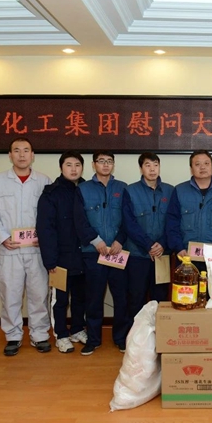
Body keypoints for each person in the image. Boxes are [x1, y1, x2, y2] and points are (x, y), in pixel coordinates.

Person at [0, 137, 52, 356]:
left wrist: (45, 237)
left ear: (33, 155)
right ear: (10, 155)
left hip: (37, 249)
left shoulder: (44, 182)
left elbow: (52, 215)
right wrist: (2, 237)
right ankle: (13, 335)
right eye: (17, 150)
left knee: (39, 294)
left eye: (26, 150)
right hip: (9, 249)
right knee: (10, 294)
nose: (22, 155)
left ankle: (40, 335)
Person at [74, 150, 128, 355]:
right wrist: (96, 241)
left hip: (117, 252)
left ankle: (120, 338)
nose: (106, 165)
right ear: (93, 164)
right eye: (101, 161)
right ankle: (94, 339)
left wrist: (120, 240)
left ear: (113, 164)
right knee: (94, 298)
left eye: (109, 161)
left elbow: (129, 218)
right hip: (93, 252)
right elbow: (79, 220)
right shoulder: (83, 189)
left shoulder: (122, 188)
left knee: (121, 298)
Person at [36, 151, 88, 354]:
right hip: (60, 258)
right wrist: (50, 261)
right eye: (69, 165)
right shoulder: (51, 193)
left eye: (77, 165)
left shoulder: (87, 190)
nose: (73, 169)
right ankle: (61, 335)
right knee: (60, 299)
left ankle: (77, 329)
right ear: (61, 168)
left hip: (84, 255)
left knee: (80, 297)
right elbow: (45, 229)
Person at [122, 152, 174, 322]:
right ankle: (136, 335)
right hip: (138, 255)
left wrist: (162, 244)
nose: (152, 169)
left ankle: (159, 334)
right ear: (141, 168)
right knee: (136, 298)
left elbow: (173, 221)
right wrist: (149, 245)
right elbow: (129, 223)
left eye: (155, 165)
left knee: (161, 298)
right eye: (148, 165)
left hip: (162, 255)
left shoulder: (170, 191)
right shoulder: (130, 191)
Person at [166, 150, 212, 271]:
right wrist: (178, 247)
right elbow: (172, 222)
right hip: (186, 255)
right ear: (191, 169)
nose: (202, 167)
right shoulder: (180, 191)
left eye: (206, 163)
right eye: (197, 164)